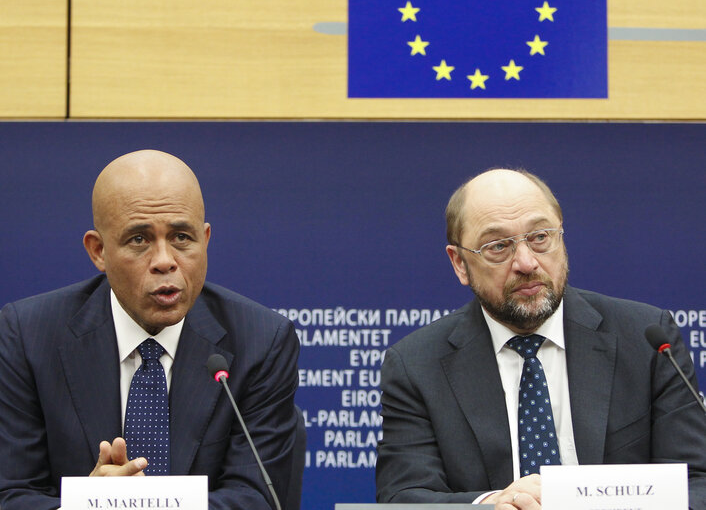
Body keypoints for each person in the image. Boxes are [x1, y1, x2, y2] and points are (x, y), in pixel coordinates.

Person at [375, 168, 706, 510]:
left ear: (561, 238)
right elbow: (403, 495)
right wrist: (494, 504)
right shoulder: (416, 365)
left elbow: (697, 481)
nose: (527, 262)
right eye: (498, 246)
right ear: (460, 263)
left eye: (540, 237)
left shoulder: (646, 339)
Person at [0, 150, 300, 510]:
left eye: (181, 238)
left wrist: (131, 506)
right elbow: (11, 493)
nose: (164, 261)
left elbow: (257, 497)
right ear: (98, 251)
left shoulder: (262, 341)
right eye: (139, 239)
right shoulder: (28, 335)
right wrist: (82, 506)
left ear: (205, 240)